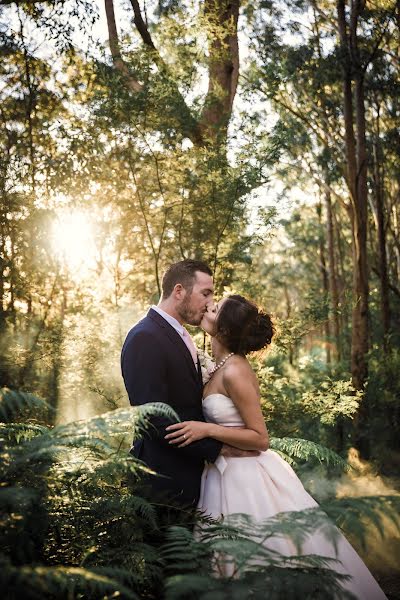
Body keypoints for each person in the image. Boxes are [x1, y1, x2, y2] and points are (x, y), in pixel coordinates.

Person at [165, 294, 387, 599]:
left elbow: (260, 438)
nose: (208, 306)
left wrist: (206, 429)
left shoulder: (235, 370)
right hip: (220, 473)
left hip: (247, 478)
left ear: (225, 330)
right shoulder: (219, 366)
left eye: (216, 308)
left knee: (261, 555)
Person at [121, 260, 256, 509]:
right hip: (162, 484)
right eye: (205, 293)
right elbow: (154, 420)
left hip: (191, 481)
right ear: (179, 291)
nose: (209, 303)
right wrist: (219, 449)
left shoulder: (181, 335)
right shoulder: (145, 337)